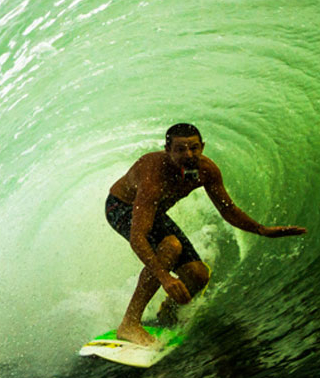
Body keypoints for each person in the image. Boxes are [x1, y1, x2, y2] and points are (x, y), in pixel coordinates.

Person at [105, 123, 306, 346]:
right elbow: (138, 237)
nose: (188, 155)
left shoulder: (206, 170)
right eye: (180, 149)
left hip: (154, 212)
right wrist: (165, 278)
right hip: (121, 207)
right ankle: (129, 324)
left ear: (202, 147)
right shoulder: (153, 175)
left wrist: (262, 230)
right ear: (167, 149)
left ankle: (167, 315)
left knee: (198, 276)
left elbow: (227, 209)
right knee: (170, 246)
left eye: (194, 147)